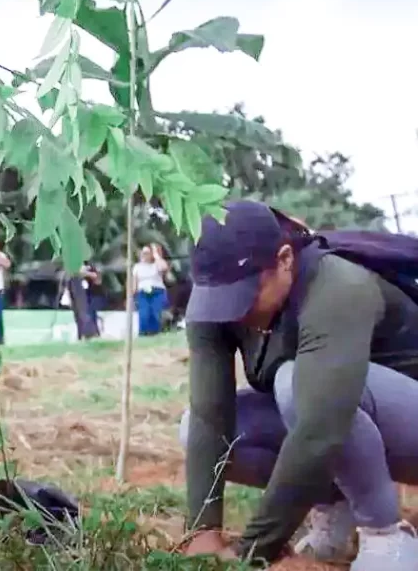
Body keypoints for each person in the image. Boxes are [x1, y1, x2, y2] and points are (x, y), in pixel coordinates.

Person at [178, 200, 418, 569]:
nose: (232, 311)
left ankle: (386, 535)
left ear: (285, 259)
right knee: (193, 427)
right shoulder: (216, 299)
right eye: (219, 298)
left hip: (407, 429)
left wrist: (253, 552)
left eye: (245, 294)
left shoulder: (338, 286)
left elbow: (319, 430)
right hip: (342, 423)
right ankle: (336, 507)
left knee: (295, 386)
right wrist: (202, 531)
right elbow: (211, 417)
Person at [131, 244, 170, 336]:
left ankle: (155, 334)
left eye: (147, 253)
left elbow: (164, 267)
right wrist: (132, 296)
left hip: (157, 291)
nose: (144, 255)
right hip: (143, 292)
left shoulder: (156, 264)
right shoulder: (137, 267)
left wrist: (156, 255)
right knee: (144, 314)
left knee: (156, 313)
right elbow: (134, 283)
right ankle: (144, 334)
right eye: (143, 253)